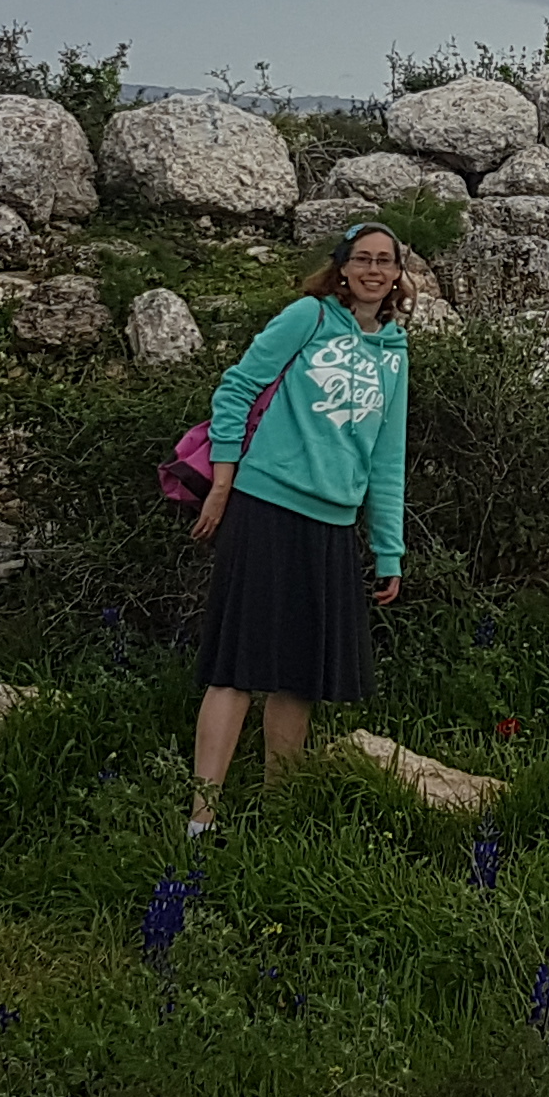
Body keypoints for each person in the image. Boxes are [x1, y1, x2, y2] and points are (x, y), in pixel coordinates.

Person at [185, 222, 412, 833]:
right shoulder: (307, 317)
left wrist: (388, 550)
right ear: (342, 267)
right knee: (235, 666)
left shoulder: (395, 354)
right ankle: (201, 821)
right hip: (264, 505)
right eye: (362, 259)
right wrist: (224, 483)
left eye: (385, 261)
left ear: (397, 274)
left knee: (299, 676)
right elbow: (237, 388)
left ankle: (277, 816)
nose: (373, 270)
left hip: (333, 523)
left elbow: (387, 458)